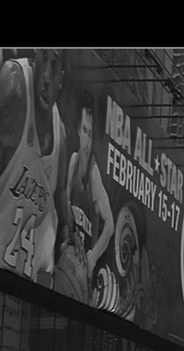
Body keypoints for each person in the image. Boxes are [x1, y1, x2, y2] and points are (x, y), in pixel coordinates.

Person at [0, 49, 68, 288]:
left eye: (54, 66)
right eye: (43, 59)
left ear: (61, 81)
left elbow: (59, 198)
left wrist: (70, 240)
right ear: (34, 58)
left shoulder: (61, 136)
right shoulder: (15, 85)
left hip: (31, 295)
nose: (46, 76)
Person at [55, 90, 114, 304]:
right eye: (84, 131)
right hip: (66, 261)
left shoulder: (94, 174)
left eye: (91, 133)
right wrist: (68, 234)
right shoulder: (73, 162)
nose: (87, 140)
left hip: (83, 282)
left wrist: (94, 254)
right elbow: (64, 206)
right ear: (79, 131)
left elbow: (110, 224)